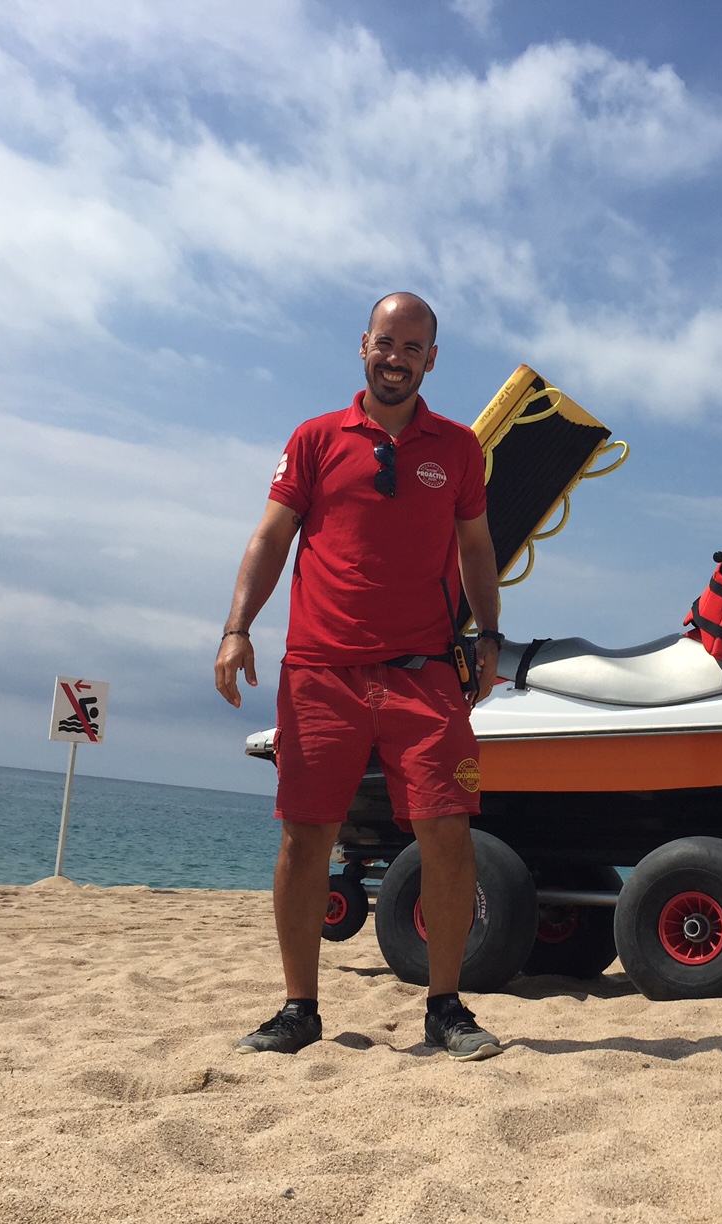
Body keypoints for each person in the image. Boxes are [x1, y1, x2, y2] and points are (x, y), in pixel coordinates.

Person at [214, 292, 505, 1062]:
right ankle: (299, 1008)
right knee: (306, 835)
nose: (396, 358)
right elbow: (270, 537)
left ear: (431, 359)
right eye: (385, 342)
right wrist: (237, 627)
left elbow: (476, 548)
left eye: (412, 347)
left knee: (447, 831)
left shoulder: (459, 448)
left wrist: (488, 635)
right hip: (321, 669)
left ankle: (446, 1007)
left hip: (425, 670)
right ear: (363, 346)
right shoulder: (314, 439)